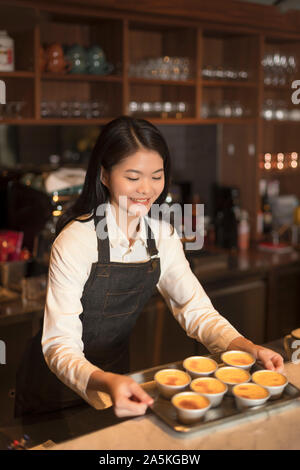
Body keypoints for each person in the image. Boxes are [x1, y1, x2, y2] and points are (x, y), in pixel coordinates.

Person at [15, 116, 283, 418]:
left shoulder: (163, 236)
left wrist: (246, 347)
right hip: (54, 393)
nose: (146, 189)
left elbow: (196, 311)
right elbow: (59, 344)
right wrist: (105, 381)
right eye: (133, 177)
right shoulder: (77, 240)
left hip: (120, 384)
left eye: (157, 176)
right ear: (105, 175)